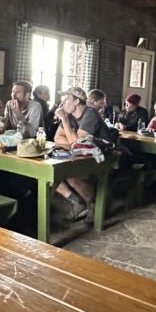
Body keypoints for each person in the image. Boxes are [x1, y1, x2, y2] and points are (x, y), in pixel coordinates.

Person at [52, 86, 104, 218]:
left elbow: (77, 144)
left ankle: (93, 205)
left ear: (76, 102)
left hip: (103, 156)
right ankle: (76, 202)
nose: (63, 102)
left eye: (67, 98)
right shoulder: (69, 115)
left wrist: (63, 120)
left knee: (70, 175)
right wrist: (73, 141)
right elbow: (57, 138)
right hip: (83, 155)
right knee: (50, 174)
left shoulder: (90, 114)